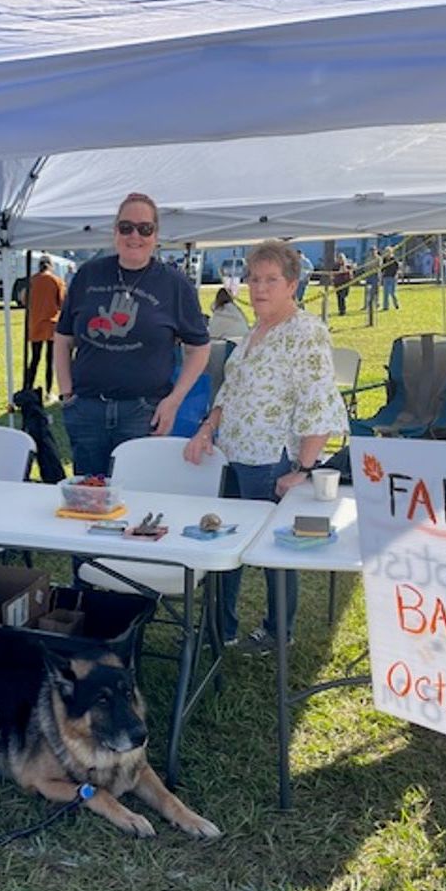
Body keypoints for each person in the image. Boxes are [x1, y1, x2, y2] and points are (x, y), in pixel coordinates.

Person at [184, 240, 347, 656]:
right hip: (231, 456)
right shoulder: (254, 330)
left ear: (291, 284)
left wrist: (304, 469)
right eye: (254, 279)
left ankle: (278, 631)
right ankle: (222, 628)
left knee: (275, 550)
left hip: (269, 459)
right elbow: (230, 392)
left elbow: (318, 401)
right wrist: (206, 429)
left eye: (271, 280)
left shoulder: (305, 331)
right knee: (221, 540)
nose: (260, 288)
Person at [54, 192, 210, 477]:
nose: (134, 235)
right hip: (87, 408)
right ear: (115, 232)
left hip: (144, 411)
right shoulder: (88, 275)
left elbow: (199, 348)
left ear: (155, 234)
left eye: (144, 228)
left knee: (137, 497)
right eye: (126, 227)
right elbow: (62, 338)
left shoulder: (175, 284)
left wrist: (173, 401)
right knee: (88, 499)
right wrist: (67, 394)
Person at [24, 255, 65, 400]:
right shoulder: (56, 281)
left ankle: (28, 387)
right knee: (50, 360)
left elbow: (24, 300)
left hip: (35, 324)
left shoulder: (31, 281)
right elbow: (62, 302)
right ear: (51, 266)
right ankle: (49, 391)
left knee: (34, 359)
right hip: (52, 324)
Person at [332, 252, 352, 316]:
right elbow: (333, 274)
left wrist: (344, 269)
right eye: (339, 258)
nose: (340, 259)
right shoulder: (335, 266)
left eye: (341, 258)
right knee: (340, 297)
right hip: (338, 284)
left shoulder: (347, 266)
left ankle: (343, 310)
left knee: (344, 296)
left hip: (345, 283)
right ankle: (341, 311)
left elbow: (350, 275)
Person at [363, 246, 381, 313]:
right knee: (367, 291)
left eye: (374, 250)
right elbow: (365, 267)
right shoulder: (368, 259)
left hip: (375, 275)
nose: (372, 252)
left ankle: (376, 304)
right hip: (368, 276)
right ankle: (366, 305)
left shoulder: (378, 258)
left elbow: (379, 267)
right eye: (371, 250)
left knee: (375, 291)